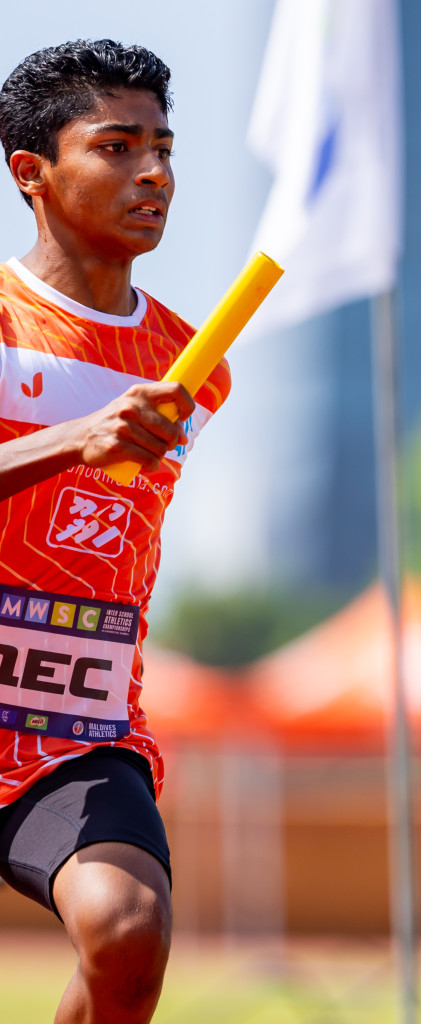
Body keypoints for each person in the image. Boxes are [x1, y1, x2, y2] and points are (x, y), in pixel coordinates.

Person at [0, 40, 230, 1024]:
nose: (155, 174)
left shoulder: (193, 363)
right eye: (118, 146)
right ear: (33, 174)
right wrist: (72, 440)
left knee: (130, 930)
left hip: (71, 728)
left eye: (165, 148)